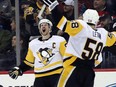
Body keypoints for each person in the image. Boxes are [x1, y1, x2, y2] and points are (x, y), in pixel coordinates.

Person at [41, 0, 116, 87]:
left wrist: (53, 6)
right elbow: (114, 37)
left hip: (73, 69)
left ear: (84, 18)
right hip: (89, 73)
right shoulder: (103, 34)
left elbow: (62, 23)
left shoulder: (81, 26)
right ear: (96, 20)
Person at [8, 18, 67, 87]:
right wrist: (19, 69)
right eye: (41, 25)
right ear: (39, 29)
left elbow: (67, 57)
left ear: (50, 28)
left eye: (45, 25)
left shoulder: (59, 40)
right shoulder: (33, 44)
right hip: (40, 77)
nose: (43, 26)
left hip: (56, 75)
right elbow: (29, 62)